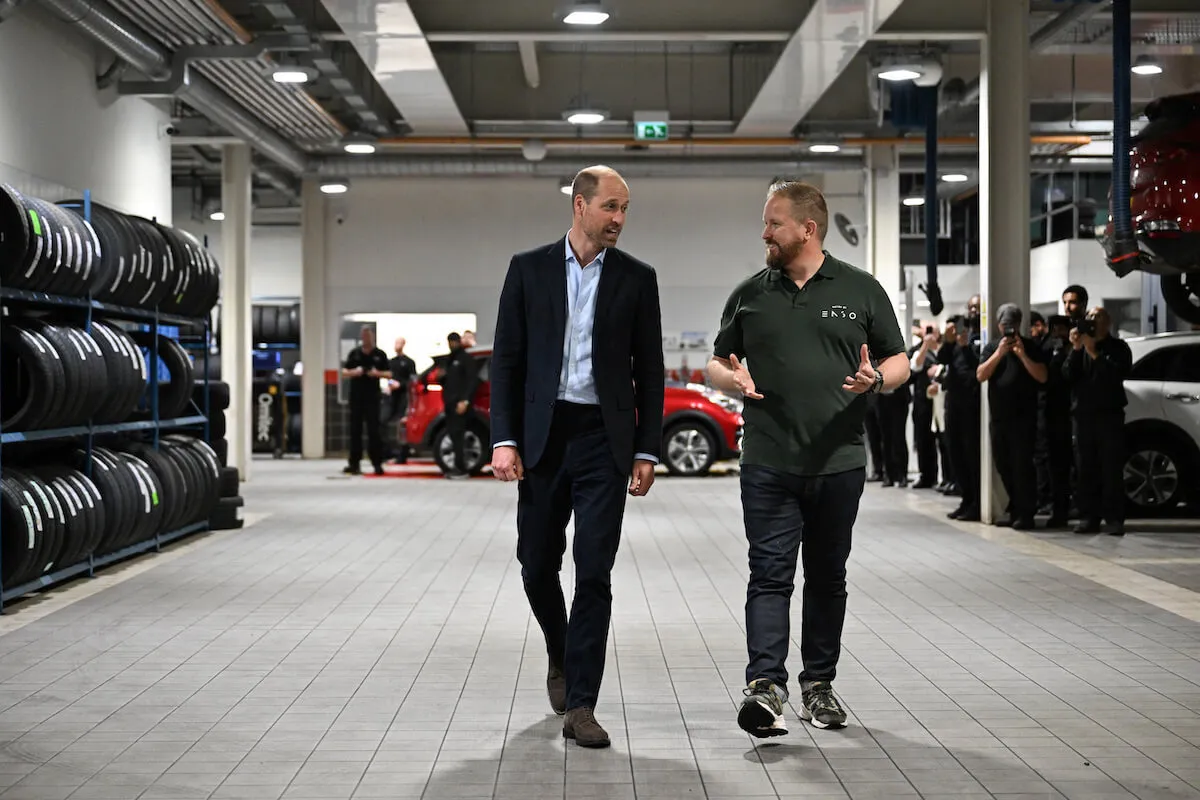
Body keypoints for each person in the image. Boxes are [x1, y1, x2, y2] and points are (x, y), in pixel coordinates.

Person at [706, 179, 908, 738]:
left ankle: (818, 684)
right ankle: (765, 686)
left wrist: (877, 380)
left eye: (773, 223)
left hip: (839, 462)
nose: (764, 232)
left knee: (826, 577)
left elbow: (900, 361)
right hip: (768, 461)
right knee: (769, 575)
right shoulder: (750, 293)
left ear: (807, 229)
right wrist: (731, 378)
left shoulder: (862, 290)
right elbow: (716, 363)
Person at [489, 165, 665, 748]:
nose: (619, 219)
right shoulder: (528, 269)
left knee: (594, 569)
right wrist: (504, 437)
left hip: (602, 440)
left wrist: (646, 448)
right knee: (536, 563)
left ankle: (582, 704)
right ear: (579, 206)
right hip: (543, 436)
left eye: (626, 209)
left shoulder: (638, 279)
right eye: (611, 207)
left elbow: (651, 370)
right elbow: (507, 362)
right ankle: (558, 650)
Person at [975, 304, 1047, 529]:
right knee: (1003, 465)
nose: (1009, 330)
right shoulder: (992, 348)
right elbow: (981, 375)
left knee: (1022, 466)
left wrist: (1022, 354)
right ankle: (1015, 506)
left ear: (1019, 325)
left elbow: (1042, 376)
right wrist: (1000, 353)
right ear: (999, 325)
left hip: (1024, 419)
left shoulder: (1031, 347)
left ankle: (1026, 512)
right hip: (999, 419)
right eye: (1005, 326)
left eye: (1012, 326)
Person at [1063, 306, 1131, 535]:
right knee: (1085, 468)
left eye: (1098, 316)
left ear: (1108, 322)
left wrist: (1094, 353)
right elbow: (1067, 376)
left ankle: (1114, 519)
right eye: (1090, 317)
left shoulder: (1119, 348)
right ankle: (1088, 517)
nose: (1093, 320)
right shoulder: (1080, 347)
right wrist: (1075, 348)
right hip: (1083, 416)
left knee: (1111, 468)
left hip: (1109, 415)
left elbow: (1116, 375)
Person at [341, 326, 391, 475]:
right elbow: (344, 372)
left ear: (372, 337)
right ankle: (354, 463)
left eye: (368, 336)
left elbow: (389, 373)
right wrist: (354, 372)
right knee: (355, 431)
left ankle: (377, 463)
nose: (366, 339)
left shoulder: (380, 355)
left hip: (372, 398)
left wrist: (377, 373)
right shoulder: (354, 353)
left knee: (374, 431)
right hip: (356, 398)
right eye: (364, 336)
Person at [440, 332, 479, 478]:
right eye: (450, 342)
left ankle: (462, 468)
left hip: (460, 404)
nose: (452, 345)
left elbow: (472, 381)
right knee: (453, 436)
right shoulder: (450, 360)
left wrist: (465, 400)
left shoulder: (465, 359)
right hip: (449, 404)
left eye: (454, 342)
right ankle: (457, 466)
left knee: (459, 436)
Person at [385, 337, 417, 463]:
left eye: (398, 343)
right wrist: (390, 384)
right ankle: (388, 452)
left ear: (403, 344)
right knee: (385, 421)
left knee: (402, 424)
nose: (396, 345)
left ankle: (402, 454)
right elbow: (388, 376)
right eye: (395, 342)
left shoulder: (409, 362)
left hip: (404, 397)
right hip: (392, 396)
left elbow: (412, 380)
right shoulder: (391, 362)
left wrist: (401, 385)